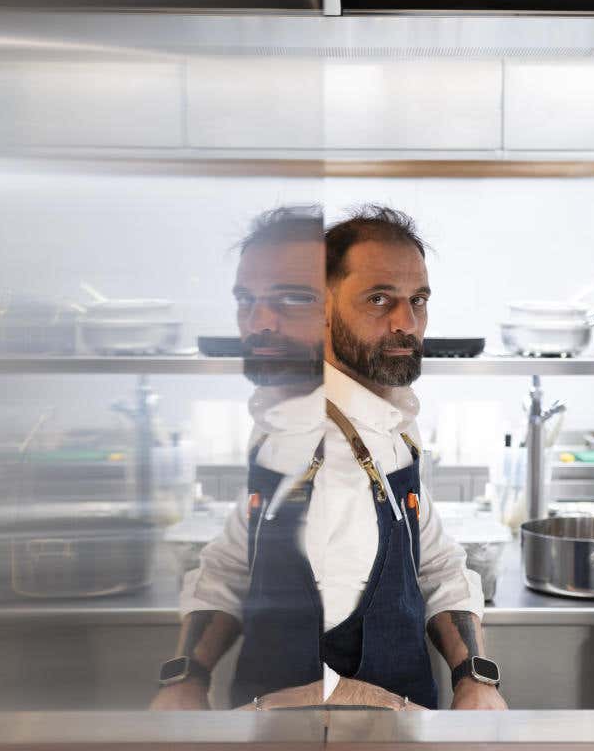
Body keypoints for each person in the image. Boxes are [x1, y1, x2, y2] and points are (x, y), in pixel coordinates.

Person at [151, 204, 506, 711]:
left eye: (418, 300)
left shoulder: (392, 432)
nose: (406, 323)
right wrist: (186, 677)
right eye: (379, 299)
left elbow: (437, 568)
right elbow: (229, 569)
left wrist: (475, 677)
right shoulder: (283, 433)